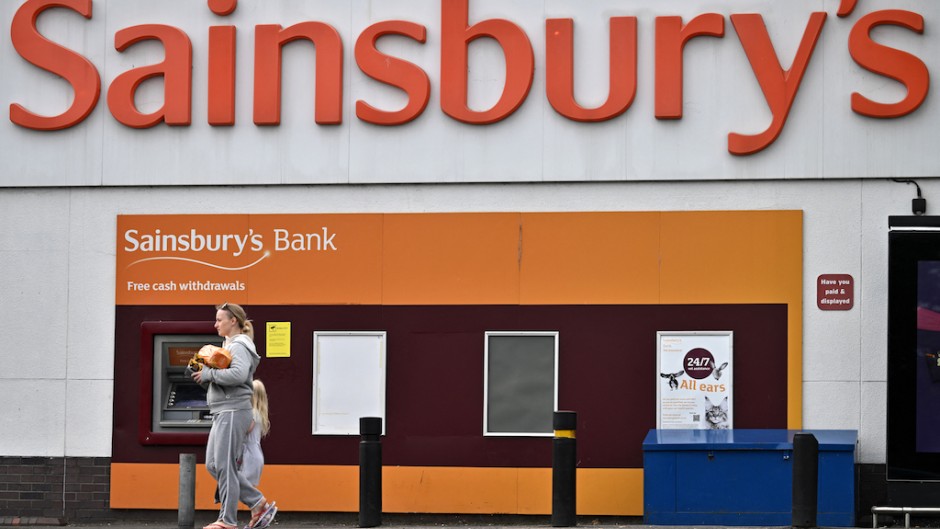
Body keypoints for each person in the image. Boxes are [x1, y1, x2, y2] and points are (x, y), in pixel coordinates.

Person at [191, 303, 277, 529]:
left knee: (224, 465)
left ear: (233, 321)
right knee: (213, 464)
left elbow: (239, 375)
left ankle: (227, 521)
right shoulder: (227, 345)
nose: (215, 324)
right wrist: (205, 376)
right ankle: (257, 503)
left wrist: (209, 374)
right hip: (222, 409)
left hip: (233, 409)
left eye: (220, 320)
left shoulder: (239, 345)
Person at [240, 379, 271, 487]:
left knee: (246, 491)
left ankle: (263, 504)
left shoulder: (253, 413)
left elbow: (245, 430)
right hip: (253, 454)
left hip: (249, 455)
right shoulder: (259, 413)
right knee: (248, 491)